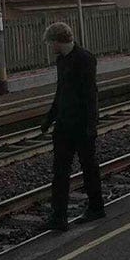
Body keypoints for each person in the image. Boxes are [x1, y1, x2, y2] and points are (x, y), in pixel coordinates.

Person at [39, 21, 103, 231]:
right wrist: (50, 119)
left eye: (52, 42)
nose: (51, 47)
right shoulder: (62, 61)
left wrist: (91, 125)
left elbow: (90, 95)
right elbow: (61, 93)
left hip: (82, 125)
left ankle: (96, 207)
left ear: (59, 40)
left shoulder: (84, 59)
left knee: (88, 168)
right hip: (64, 125)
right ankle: (59, 217)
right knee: (60, 172)